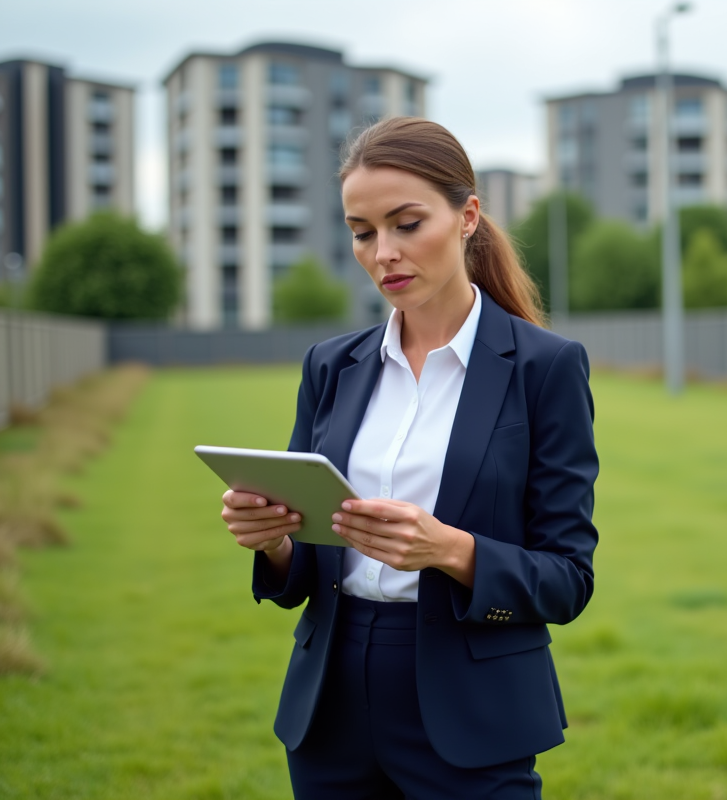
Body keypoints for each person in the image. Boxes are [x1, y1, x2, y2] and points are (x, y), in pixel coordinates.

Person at [218, 116, 598, 799]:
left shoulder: (545, 368)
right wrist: (273, 541)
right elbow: (304, 571)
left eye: (406, 223)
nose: (382, 251)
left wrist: (449, 549)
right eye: (362, 231)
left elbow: (568, 579)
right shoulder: (331, 366)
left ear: (468, 217)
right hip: (329, 707)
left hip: (472, 711)